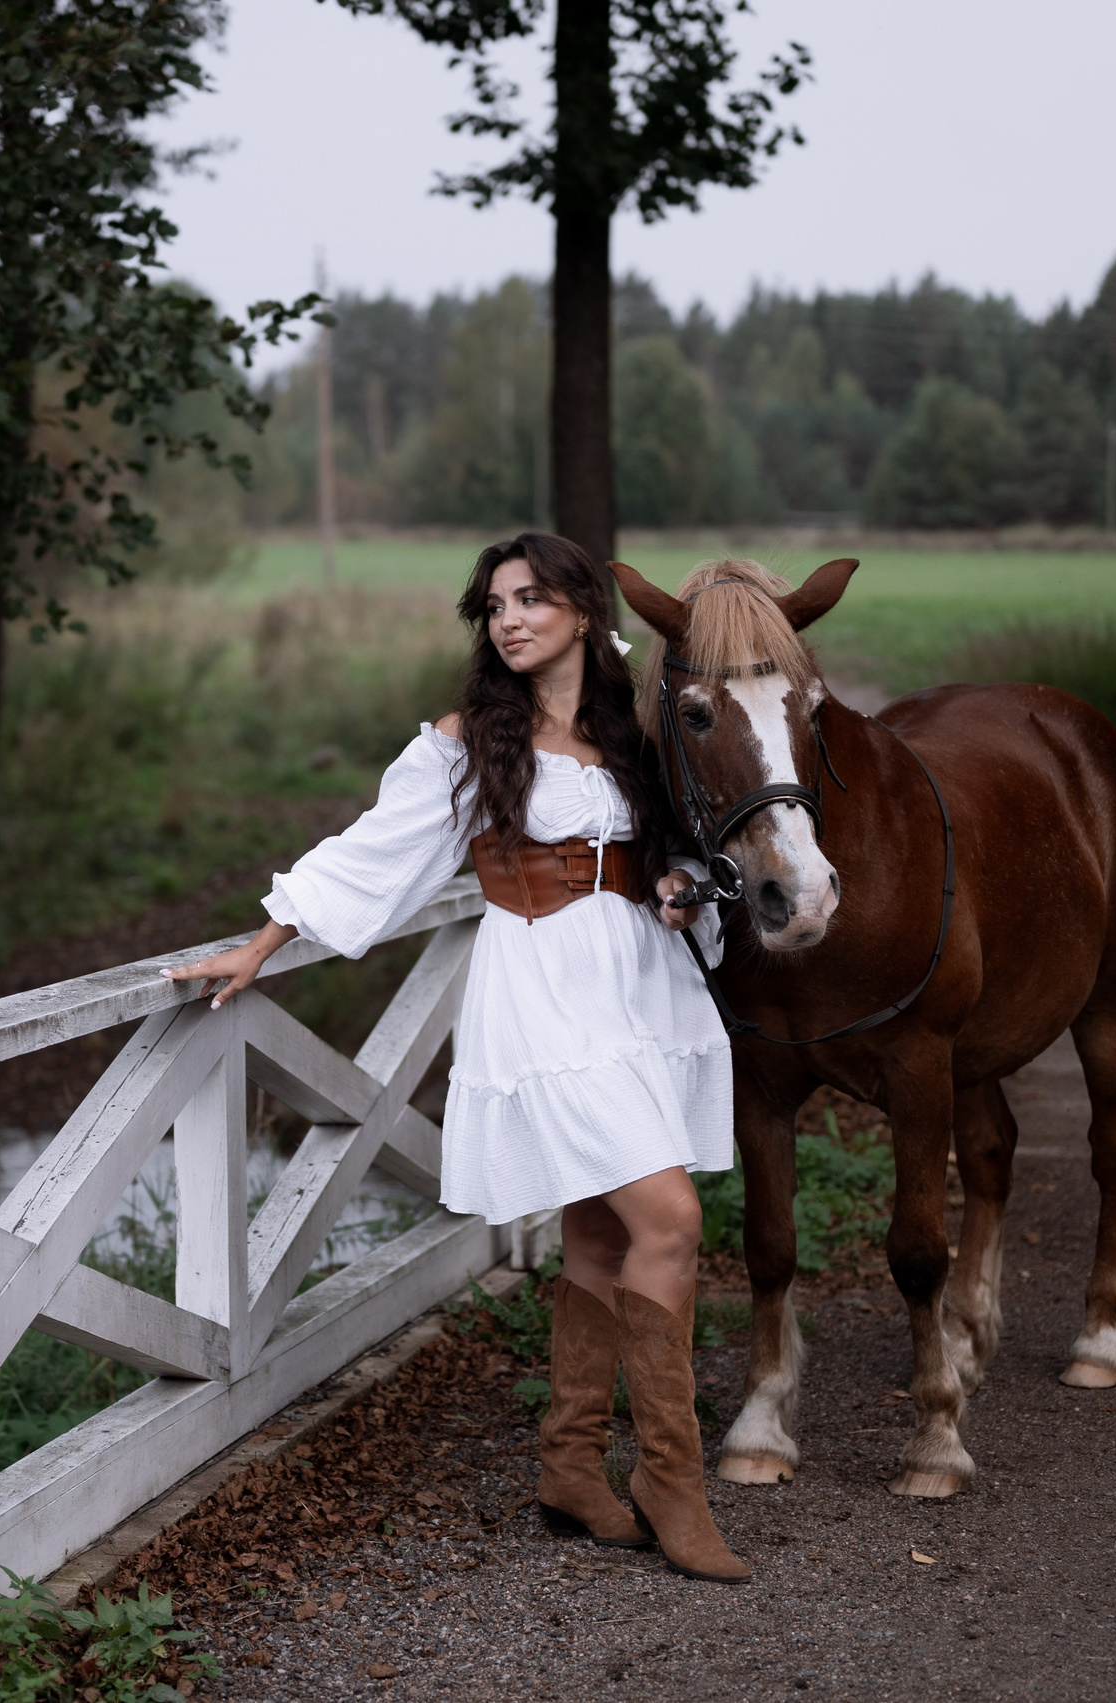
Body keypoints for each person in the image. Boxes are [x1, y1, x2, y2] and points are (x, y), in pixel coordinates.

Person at [165, 532, 747, 1584]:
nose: (508, 619)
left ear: (579, 609)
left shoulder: (629, 738)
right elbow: (371, 853)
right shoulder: (468, 740)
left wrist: (673, 881)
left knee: (598, 1227)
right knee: (670, 1218)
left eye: (529, 599)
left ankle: (571, 1465)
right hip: (543, 1000)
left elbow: (673, 852)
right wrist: (263, 938)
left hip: (634, 990)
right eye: (492, 606)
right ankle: (672, 1476)